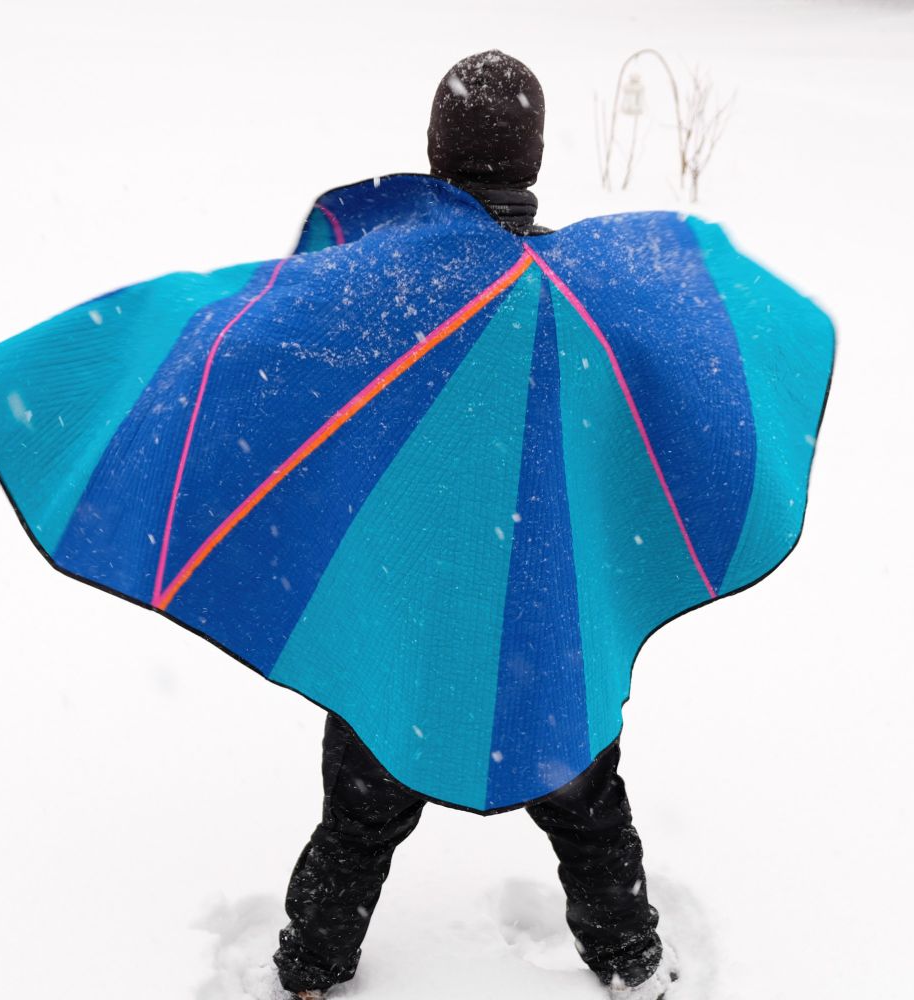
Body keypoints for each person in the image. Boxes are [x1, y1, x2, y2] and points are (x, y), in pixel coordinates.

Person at [273, 51, 680, 1000]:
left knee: (359, 817)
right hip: (549, 620)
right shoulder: (583, 295)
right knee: (586, 809)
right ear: (532, 160)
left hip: (406, 620)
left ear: (435, 152)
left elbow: (296, 373)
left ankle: (310, 970)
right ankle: (631, 964)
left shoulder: (382, 291)